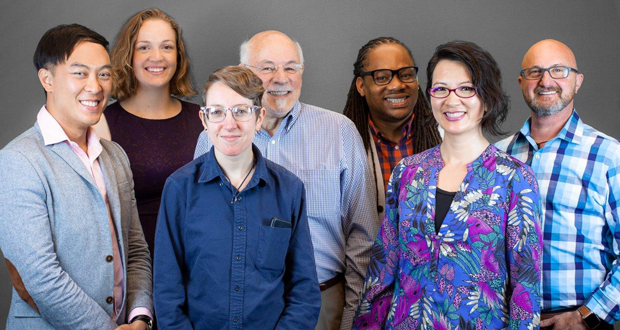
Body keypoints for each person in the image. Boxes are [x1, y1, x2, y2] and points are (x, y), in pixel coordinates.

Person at [353, 41, 543, 330]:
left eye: (466, 89)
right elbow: (382, 273)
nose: (452, 101)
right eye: (441, 89)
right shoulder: (408, 172)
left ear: (487, 98)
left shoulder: (515, 179)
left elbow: (525, 289)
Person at [194, 31, 377, 330]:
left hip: (323, 304)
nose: (281, 78)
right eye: (267, 68)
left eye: (291, 67)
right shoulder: (212, 139)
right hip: (238, 308)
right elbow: (202, 235)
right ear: (245, 75)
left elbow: (363, 236)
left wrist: (351, 315)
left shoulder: (339, 132)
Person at [0, 24, 152, 330]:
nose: (95, 86)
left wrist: (141, 316)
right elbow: (41, 277)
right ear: (47, 78)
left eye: (104, 74)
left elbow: (135, 249)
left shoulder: (115, 156)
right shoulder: (17, 161)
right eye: (80, 73)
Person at [154, 66, 320, 329]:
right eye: (217, 112)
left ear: (259, 117)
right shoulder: (179, 188)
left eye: (241, 111)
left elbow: (304, 290)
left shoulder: (289, 189)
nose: (229, 124)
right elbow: (166, 289)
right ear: (204, 119)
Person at [496, 39, 620, 330]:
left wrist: (587, 317)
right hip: (508, 321)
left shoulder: (609, 156)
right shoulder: (497, 157)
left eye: (559, 70)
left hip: (581, 321)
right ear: (521, 82)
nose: (546, 81)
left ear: (577, 81)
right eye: (535, 71)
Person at [93, 8, 202, 258]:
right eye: (144, 47)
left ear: (179, 56)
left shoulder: (204, 119)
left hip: (198, 265)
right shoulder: (101, 124)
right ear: (128, 55)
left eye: (167, 47)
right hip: (135, 267)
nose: (157, 57)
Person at [343, 37, 442, 219]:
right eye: (382, 77)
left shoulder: (444, 138)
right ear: (361, 86)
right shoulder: (341, 145)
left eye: (406, 74)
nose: (397, 85)